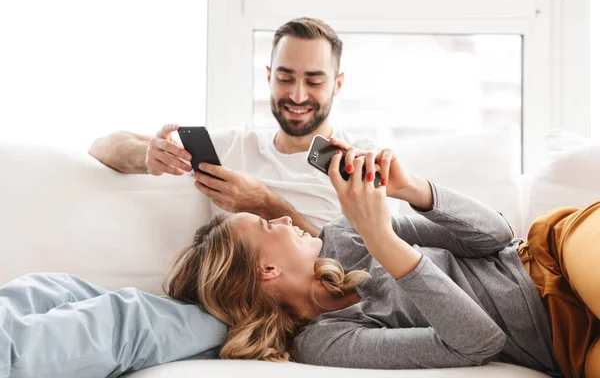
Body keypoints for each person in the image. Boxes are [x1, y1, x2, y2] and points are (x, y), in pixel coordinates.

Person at [163, 138, 599, 378]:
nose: (280, 221)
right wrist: (383, 240)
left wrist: (412, 190)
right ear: (267, 271)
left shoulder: (344, 233)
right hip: (562, 345)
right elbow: (479, 343)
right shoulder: (323, 343)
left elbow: (496, 235)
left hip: (547, 257)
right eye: (265, 226)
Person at [88, 17, 379, 237]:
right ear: (268, 77)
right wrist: (148, 157)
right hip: (212, 305)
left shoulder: (361, 161)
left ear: (338, 84)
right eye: (285, 78)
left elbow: (363, 269)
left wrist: (264, 203)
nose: (297, 95)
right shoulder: (234, 146)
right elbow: (103, 145)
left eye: (314, 81)